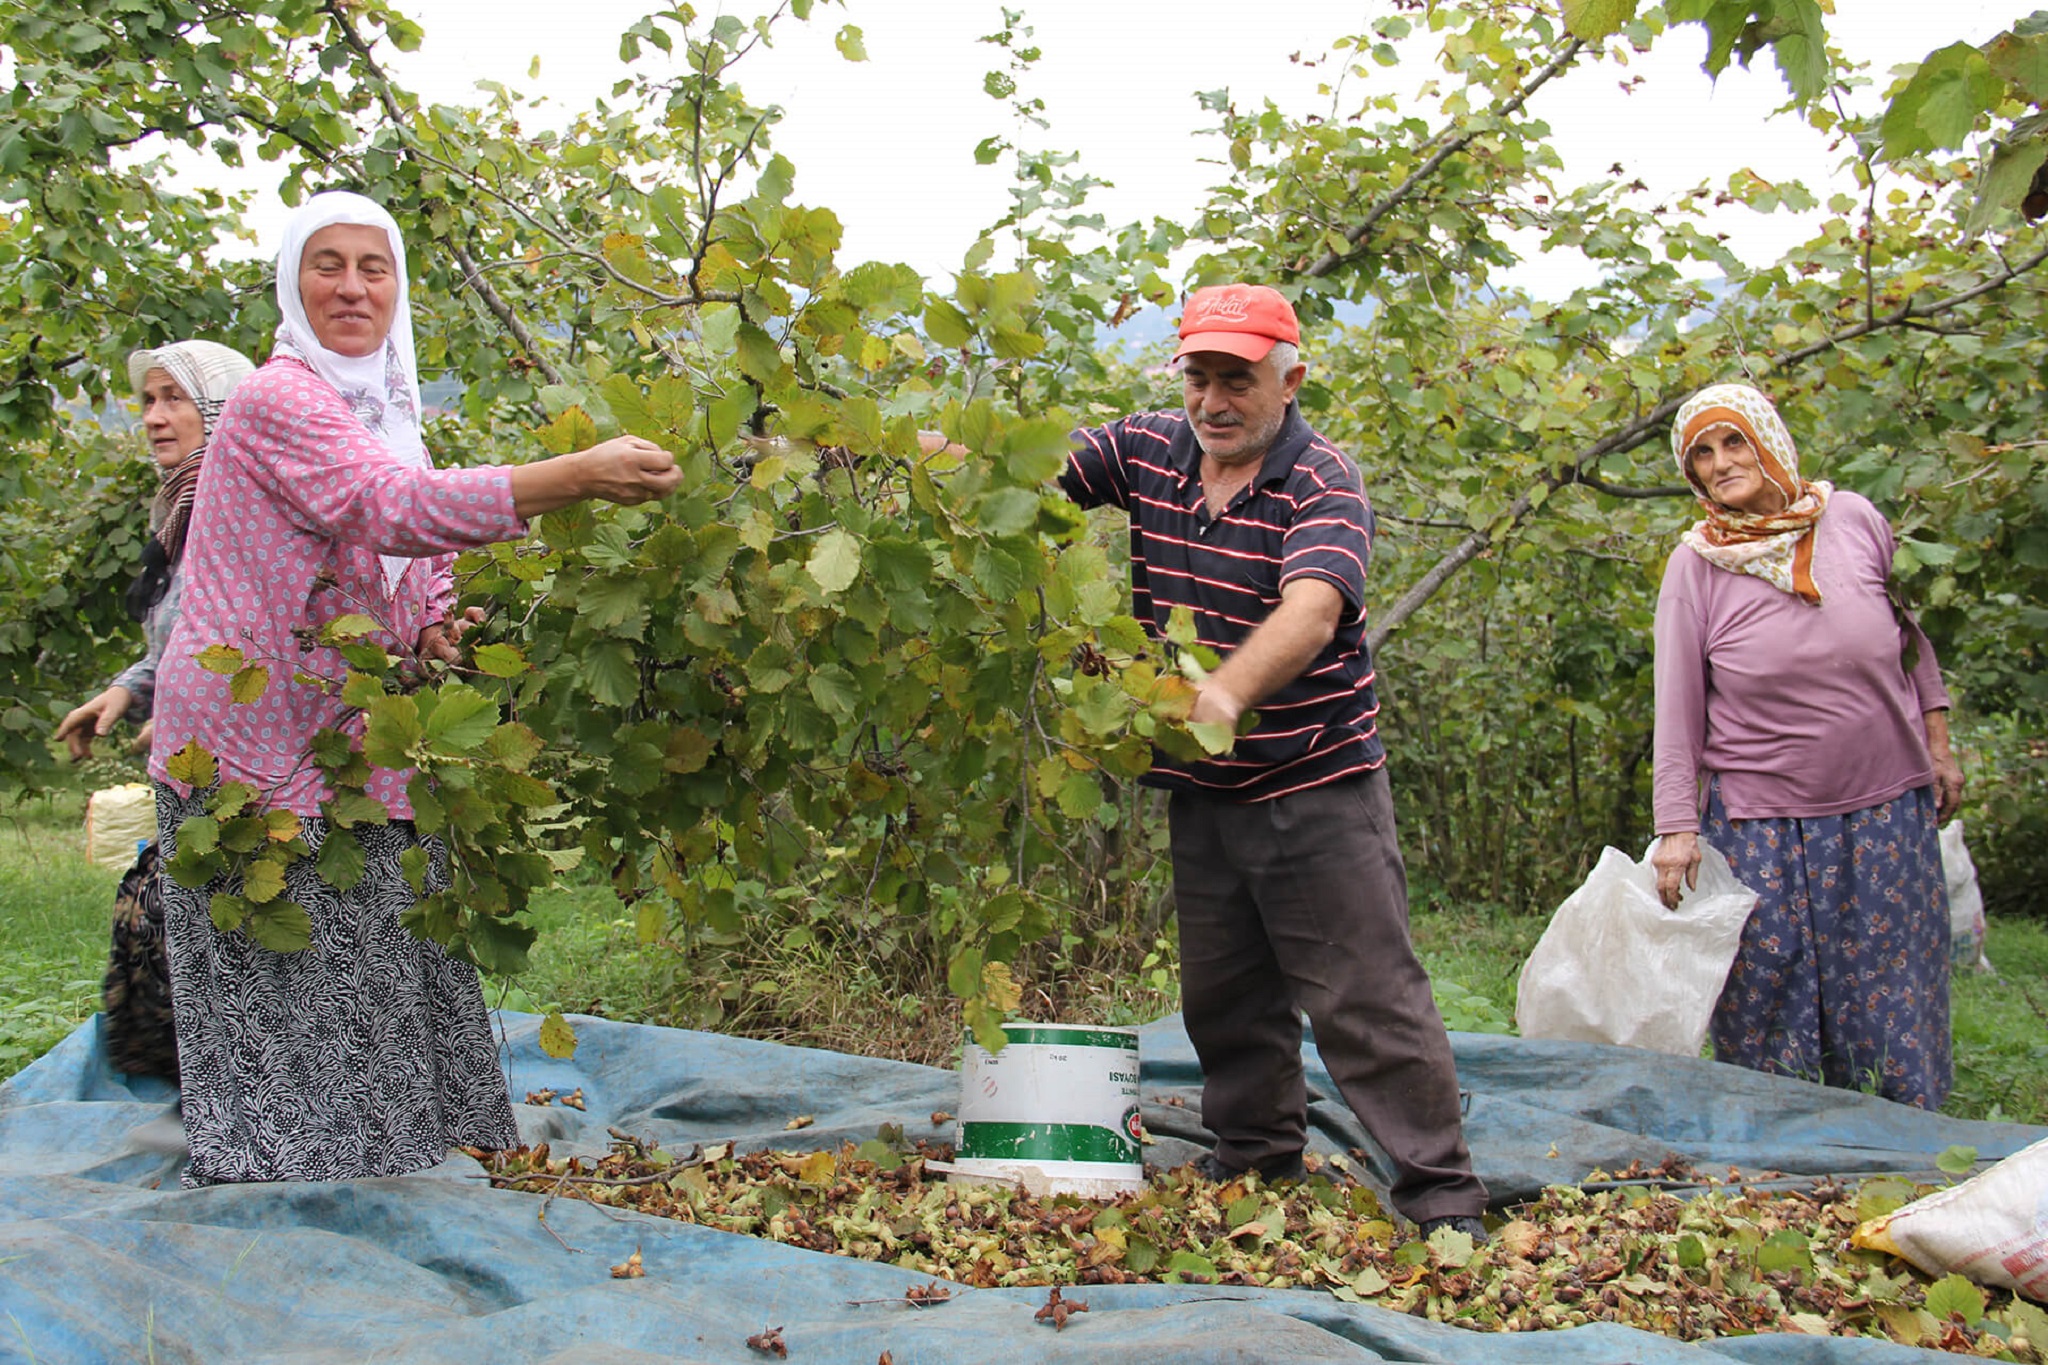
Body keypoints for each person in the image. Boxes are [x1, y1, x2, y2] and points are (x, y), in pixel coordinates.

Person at [147, 190, 681, 1185]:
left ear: (398, 286)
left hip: (356, 734)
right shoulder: (278, 398)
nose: (352, 286)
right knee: (299, 963)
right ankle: (302, 1170)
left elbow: (414, 550)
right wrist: (571, 475)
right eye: (327, 264)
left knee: (382, 957)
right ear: (292, 285)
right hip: (255, 745)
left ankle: (393, 1154)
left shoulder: (390, 409)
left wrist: (434, 625)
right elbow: (385, 506)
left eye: (373, 266)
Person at [1058, 283, 1488, 1237]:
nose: (1215, 400)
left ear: (1290, 380)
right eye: (1200, 377)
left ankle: (1444, 1197)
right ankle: (1253, 1161)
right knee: (1225, 995)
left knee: (1366, 999)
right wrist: (867, 453)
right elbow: (1021, 471)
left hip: (1316, 784)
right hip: (1204, 790)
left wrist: (1227, 689)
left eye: (1239, 380)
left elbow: (1313, 607)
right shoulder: (1149, 448)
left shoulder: (1321, 480)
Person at [1650, 382, 1963, 1110]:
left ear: (1770, 439)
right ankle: (1781, 1162)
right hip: (1762, 819)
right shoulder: (1696, 565)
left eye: (1734, 441)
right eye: (1702, 453)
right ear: (1691, 474)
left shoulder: (1853, 517)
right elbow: (1678, 709)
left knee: (1891, 994)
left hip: (1886, 808)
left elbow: (1908, 638)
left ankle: (1902, 1147)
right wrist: (1677, 828)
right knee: (1766, 999)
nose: (1722, 462)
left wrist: (1938, 740)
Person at [55, 340, 257, 1082]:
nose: (155, 416)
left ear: (222, 410)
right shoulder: (179, 508)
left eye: (176, 398)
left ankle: (248, 1097)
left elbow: (247, 635)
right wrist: (126, 689)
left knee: (225, 930)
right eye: (148, 399)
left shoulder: (234, 509)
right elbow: (177, 634)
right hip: (190, 762)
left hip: (248, 764)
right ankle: (217, 1095)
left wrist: (187, 700)